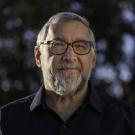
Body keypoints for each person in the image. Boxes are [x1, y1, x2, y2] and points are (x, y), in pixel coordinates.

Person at [0, 12, 135, 135]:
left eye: (80, 46)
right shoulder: (5, 121)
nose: (69, 57)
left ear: (93, 59)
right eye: (57, 44)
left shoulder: (127, 121)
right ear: (38, 56)